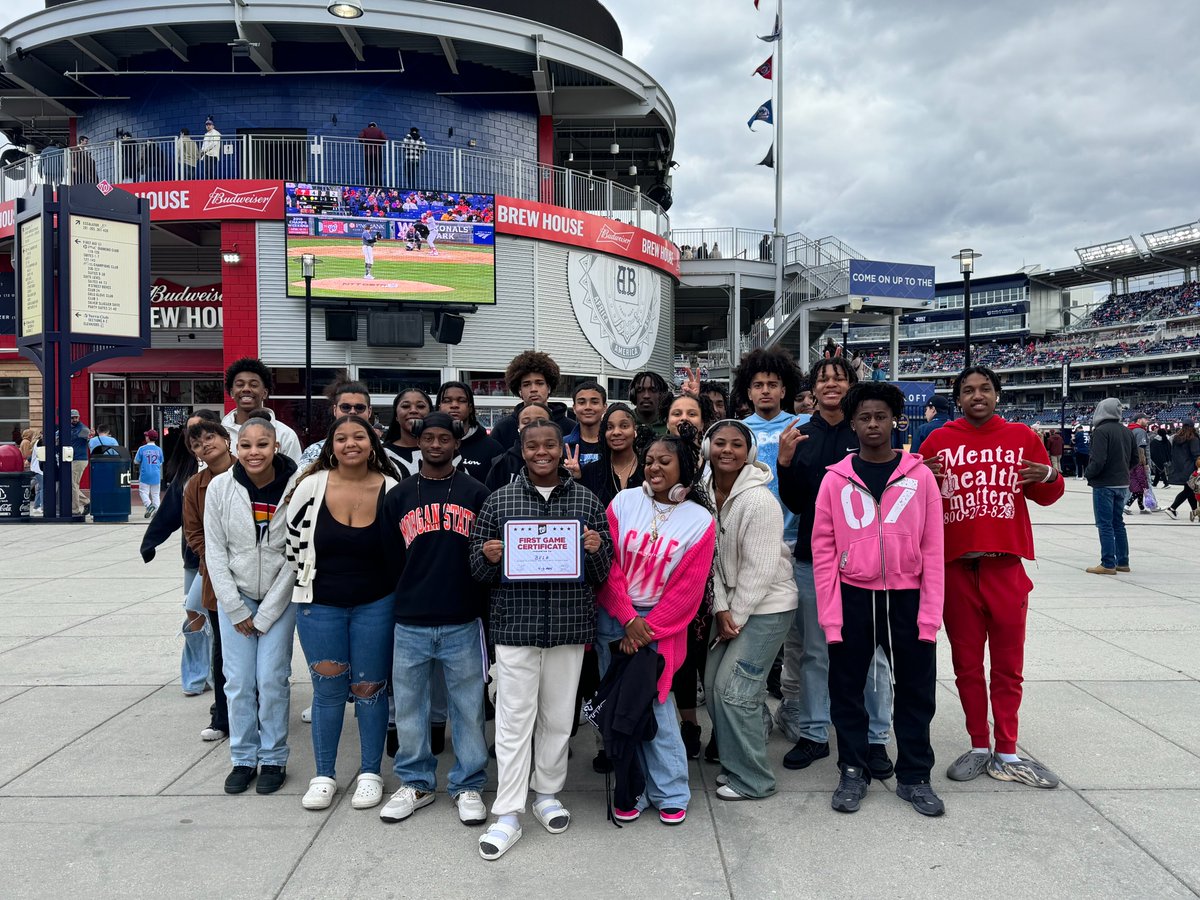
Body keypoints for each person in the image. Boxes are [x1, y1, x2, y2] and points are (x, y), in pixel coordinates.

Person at [470, 419, 612, 860]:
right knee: (513, 721)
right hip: (515, 628)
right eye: (534, 446)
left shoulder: (587, 502)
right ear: (522, 450)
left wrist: (595, 550)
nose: (543, 452)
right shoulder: (499, 501)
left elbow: (604, 573)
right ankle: (508, 812)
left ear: (561, 448)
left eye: (551, 444)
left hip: (569, 628)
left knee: (557, 718)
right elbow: (476, 569)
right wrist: (488, 556)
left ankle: (547, 794)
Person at [919, 365, 1064, 789]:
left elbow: (1048, 495)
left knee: (1008, 665)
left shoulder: (1021, 436)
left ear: (997, 395)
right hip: (956, 569)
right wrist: (920, 475)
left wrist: (1052, 474)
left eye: (985, 389)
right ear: (958, 398)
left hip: (1005, 567)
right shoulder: (940, 440)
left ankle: (1007, 749)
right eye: (968, 390)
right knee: (966, 665)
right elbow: (911, 493)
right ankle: (979, 744)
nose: (977, 396)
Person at [811, 383, 945, 816]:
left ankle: (914, 776)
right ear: (853, 424)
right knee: (846, 689)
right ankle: (852, 769)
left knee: (916, 690)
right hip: (854, 595)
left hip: (906, 597)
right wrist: (831, 616)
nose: (873, 424)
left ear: (895, 421)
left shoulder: (920, 476)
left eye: (881, 417)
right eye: (864, 418)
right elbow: (825, 551)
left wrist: (930, 614)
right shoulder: (835, 480)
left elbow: (933, 548)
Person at [775, 356, 894, 776]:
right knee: (815, 651)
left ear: (850, 384)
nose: (830, 385)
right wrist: (784, 464)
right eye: (823, 379)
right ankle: (813, 733)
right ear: (812, 387)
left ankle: (875, 738)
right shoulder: (799, 434)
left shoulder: (863, 428)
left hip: (865, 559)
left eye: (838, 378)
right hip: (814, 557)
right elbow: (794, 502)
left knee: (873, 652)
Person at [596, 424, 715, 825]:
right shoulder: (623, 502)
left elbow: (688, 590)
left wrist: (645, 629)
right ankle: (633, 789)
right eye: (648, 461)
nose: (653, 468)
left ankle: (671, 791)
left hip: (662, 628)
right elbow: (608, 566)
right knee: (621, 712)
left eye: (664, 461)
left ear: (685, 467)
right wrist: (628, 619)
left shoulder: (700, 520)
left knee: (659, 710)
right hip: (616, 620)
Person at [378, 413, 491, 826]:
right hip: (410, 619)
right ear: (418, 441)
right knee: (409, 708)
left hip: (462, 617)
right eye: (429, 437)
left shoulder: (476, 493)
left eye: (445, 438)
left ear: (457, 445)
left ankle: (468, 784)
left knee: (467, 708)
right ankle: (417, 782)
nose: (437, 444)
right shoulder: (400, 495)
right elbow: (390, 557)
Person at [285, 415, 401, 812]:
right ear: (330, 446)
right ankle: (324, 775)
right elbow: (292, 546)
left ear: (373, 443)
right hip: (320, 606)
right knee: (328, 692)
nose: (350, 443)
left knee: (370, 690)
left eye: (359, 437)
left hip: (378, 604)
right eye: (341, 438)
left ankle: (370, 772)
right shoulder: (310, 487)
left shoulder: (392, 487)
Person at [203, 410, 301, 795]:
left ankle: (274, 757)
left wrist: (268, 612)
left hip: (280, 596)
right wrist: (236, 607)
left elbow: (298, 552)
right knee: (239, 681)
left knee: (271, 679)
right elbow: (214, 550)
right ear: (234, 446)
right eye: (246, 445)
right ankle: (243, 758)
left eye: (262, 444)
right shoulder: (219, 488)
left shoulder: (297, 487)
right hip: (237, 596)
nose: (254, 452)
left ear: (276, 445)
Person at [700, 420, 797, 801]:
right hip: (728, 606)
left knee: (733, 690)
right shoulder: (704, 494)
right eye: (720, 443)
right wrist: (722, 609)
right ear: (708, 448)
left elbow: (759, 570)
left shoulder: (760, 500)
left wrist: (733, 617)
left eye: (736, 444)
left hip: (767, 606)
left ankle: (754, 779)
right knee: (713, 686)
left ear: (750, 452)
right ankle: (735, 759)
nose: (727, 450)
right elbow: (707, 560)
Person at [141, 411, 221, 699]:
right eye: (191, 433)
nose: (197, 437)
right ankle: (198, 674)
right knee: (196, 612)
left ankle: (212, 672)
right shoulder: (187, 473)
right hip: (193, 558)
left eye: (203, 431)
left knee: (207, 613)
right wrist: (150, 541)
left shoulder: (231, 468)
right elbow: (169, 512)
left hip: (223, 560)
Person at [183, 417, 238, 742]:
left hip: (258, 576)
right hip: (216, 577)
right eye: (197, 443)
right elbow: (194, 533)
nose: (205, 444)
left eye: (210, 436)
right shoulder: (195, 486)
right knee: (222, 649)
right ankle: (222, 716)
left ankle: (258, 712)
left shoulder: (249, 470)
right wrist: (215, 562)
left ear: (226, 439)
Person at [733, 347, 801, 542]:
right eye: (758, 385)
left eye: (772, 385)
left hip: (794, 534)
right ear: (748, 392)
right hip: (754, 532)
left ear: (783, 391)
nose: (765, 390)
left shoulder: (801, 425)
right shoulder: (737, 430)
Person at [1084, 398, 1137, 575]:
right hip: (1122, 483)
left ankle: (1108, 563)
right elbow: (1135, 459)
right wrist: (1123, 471)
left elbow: (1098, 460)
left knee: (1104, 524)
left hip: (1104, 484)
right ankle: (1123, 561)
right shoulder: (1127, 431)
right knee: (1118, 523)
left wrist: (1089, 473)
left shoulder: (1101, 431)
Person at [221, 358, 303, 463]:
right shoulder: (219, 435)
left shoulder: (285, 434)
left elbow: (295, 476)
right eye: (240, 384)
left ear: (264, 393)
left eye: (254, 385)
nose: (246, 389)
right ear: (232, 392)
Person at [488, 351, 574, 451]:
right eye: (526, 384)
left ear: (549, 387)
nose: (533, 389)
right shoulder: (503, 429)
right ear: (519, 390)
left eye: (539, 383)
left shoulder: (571, 428)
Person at [578, 402, 647, 507]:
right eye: (610, 427)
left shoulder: (647, 470)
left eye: (624, 426)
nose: (616, 432)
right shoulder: (590, 472)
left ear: (634, 430)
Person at [299, 379, 378, 468]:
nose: (352, 412)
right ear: (335, 410)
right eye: (345, 407)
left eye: (359, 407)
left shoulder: (385, 451)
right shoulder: (314, 452)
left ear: (369, 411)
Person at [436, 380, 503, 483]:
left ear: (470, 408)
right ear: (439, 406)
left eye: (461, 400)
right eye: (447, 400)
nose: (454, 405)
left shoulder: (492, 449)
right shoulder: (427, 446)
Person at [485, 402, 552, 492]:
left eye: (540, 421)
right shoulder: (503, 464)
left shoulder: (561, 461)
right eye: (525, 422)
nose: (532, 426)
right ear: (518, 427)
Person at [382, 388, 434, 478]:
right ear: (396, 416)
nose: (413, 410)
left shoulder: (443, 451)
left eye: (421, 406)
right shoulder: (382, 455)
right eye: (405, 406)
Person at [563, 381, 606, 469]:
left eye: (594, 402)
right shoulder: (563, 444)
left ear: (604, 407)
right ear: (574, 408)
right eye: (582, 403)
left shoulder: (614, 442)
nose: (588, 407)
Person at [1163, 422, 1200, 519]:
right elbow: (1196, 455)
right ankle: (1172, 508)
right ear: (1192, 428)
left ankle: (1195, 511)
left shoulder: (1176, 439)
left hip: (1180, 468)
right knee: (1189, 490)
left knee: (1189, 491)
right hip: (1191, 468)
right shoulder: (1193, 439)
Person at [1124, 415, 1151, 514]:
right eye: (1145, 419)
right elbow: (1142, 449)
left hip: (1129, 463)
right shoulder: (1140, 431)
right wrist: (1146, 463)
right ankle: (1126, 506)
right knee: (1138, 492)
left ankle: (1142, 508)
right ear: (1139, 420)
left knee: (1138, 493)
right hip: (1138, 467)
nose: (1147, 421)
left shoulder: (1128, 430)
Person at [134, 429, 164, 518]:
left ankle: (149, 505)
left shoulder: (142, 448)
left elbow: (136, 461)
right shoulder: (159, 449)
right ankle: (157, 510)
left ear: (148, 438)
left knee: (143, 492)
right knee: (155, 494)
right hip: (156, 474)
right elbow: (161, 462)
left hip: (145, 474)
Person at [67, 409, 91, 515]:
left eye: (76, 417)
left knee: (73, 485)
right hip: (72, 459)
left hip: (79, 459)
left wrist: (90, 435)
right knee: (71, 485)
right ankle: (86, 502)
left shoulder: (83, 429)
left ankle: (75, 510)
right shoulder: (68, 428)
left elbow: (87, 436)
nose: (75, 419)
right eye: (72, 417)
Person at [359, 121, 387, 185]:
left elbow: (360, 137)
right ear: (375, 126)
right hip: (377, 153)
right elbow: (385, 139)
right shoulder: (379, 131)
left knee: (368, 170)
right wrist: (379, 143)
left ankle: (369, 184)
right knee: (378, 170)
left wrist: (365, 142)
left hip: (368, 153)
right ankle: (378, 184)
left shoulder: (365, 130)